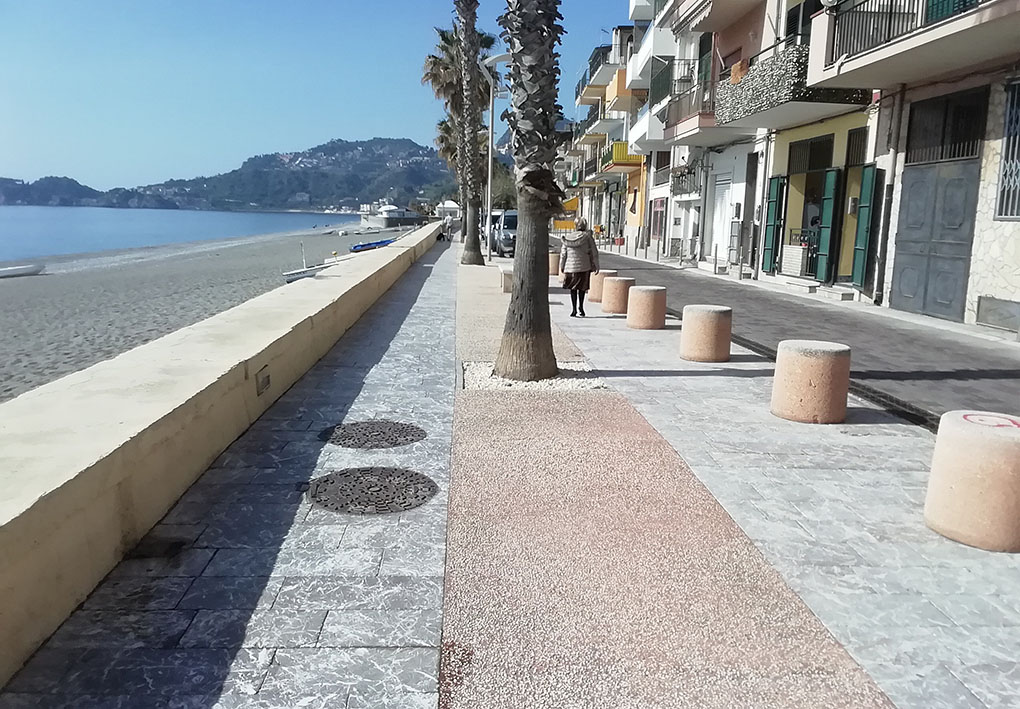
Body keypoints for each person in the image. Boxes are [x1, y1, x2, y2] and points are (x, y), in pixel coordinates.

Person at [559, 218, 599, 318]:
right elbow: (594, 252)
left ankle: (573, 309)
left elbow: (563, 254)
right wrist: (597, 265)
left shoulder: (567, 238)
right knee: (582, 288)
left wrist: (562, 266)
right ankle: (581, 307)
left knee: (573, 289)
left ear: (575, 225)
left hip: (570, 267)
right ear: (585, 226)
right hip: (584, 266)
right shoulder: (588, 237)